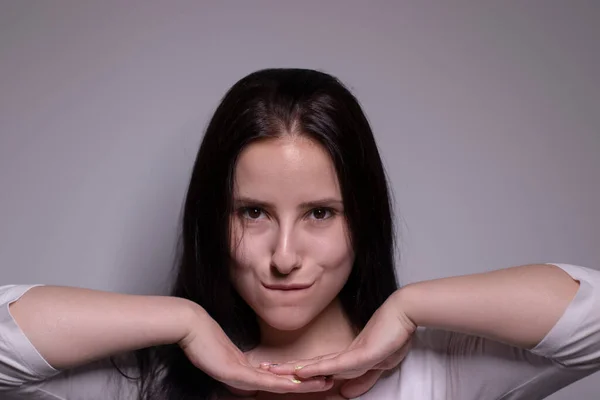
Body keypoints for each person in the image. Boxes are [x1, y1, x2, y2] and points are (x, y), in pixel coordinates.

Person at [0, 68, 598, 400]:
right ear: (213, 218)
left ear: (363, 219)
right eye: (253, 213)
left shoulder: (440, 373)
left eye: (320, 213)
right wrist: (181, 321)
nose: (285, 257)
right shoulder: (146, 383)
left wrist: (408, 308)